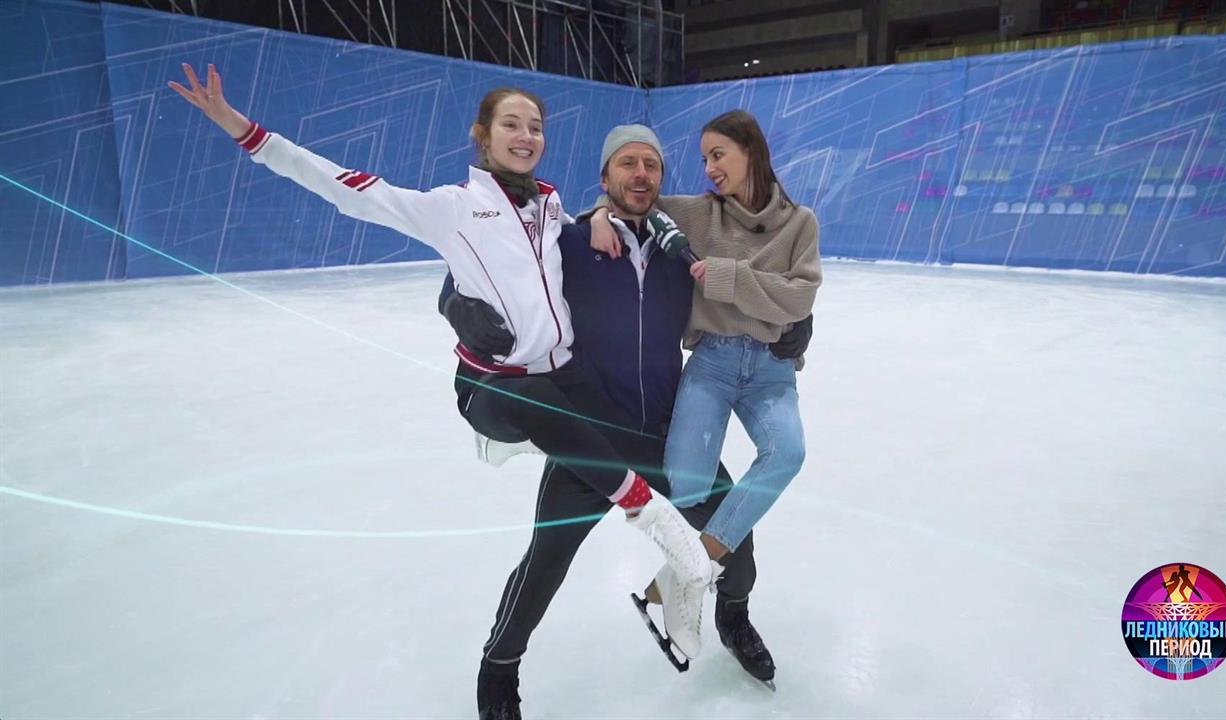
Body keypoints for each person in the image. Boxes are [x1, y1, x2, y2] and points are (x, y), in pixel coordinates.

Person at [166, 63, 716, 654]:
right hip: (495, 387)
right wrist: (244, 130)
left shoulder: (550, 208)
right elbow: (347, 189)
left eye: (535, 126)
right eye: (511, 124)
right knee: (538, 421)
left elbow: (575, 234)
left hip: (560, 385)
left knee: (609, 465)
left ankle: (669, 579)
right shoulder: (452, 207)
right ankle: (645, 518)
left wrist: (599, 214)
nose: (525, 135)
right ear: (483, 135)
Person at [442, 125, 811, 718]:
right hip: (590, 440)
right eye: (628, 163)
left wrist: (797, 323)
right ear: (605, 176)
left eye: (652, 165)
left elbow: (757, 273)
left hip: (668, 432)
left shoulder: (679, 246)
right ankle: (499, 668)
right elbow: (480, 270)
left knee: (736, 541)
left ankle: (733, 617)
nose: (641, 175)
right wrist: (456, 305)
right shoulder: (566, 240)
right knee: (546, 562)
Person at [590, 109, 821, 661]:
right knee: (687, 483)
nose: (710, 168)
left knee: (787, 452)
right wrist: (599, 213)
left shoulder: (799, 223)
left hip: (769, 368)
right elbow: (631, 199)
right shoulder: (698, 213)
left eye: (718, 155)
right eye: (704, 159)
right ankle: (694, 575)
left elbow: (800, 297)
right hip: (712, 361)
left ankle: (686, 579)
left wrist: (726, 277)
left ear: (750, 151)